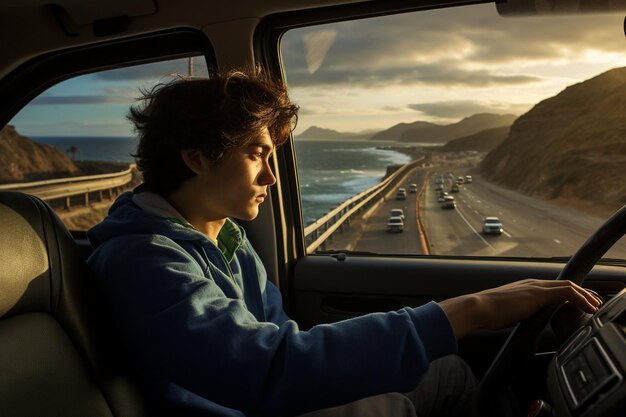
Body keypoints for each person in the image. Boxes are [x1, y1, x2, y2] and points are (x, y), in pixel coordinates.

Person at [86, 68, 602, 417]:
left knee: (445, 370)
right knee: (434, 389)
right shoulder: (144, 260)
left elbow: (279, 335)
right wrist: (468, 309)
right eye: (256, 155)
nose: (270, 177)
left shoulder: (225, 236)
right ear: (196, 157)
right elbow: (265, 366)